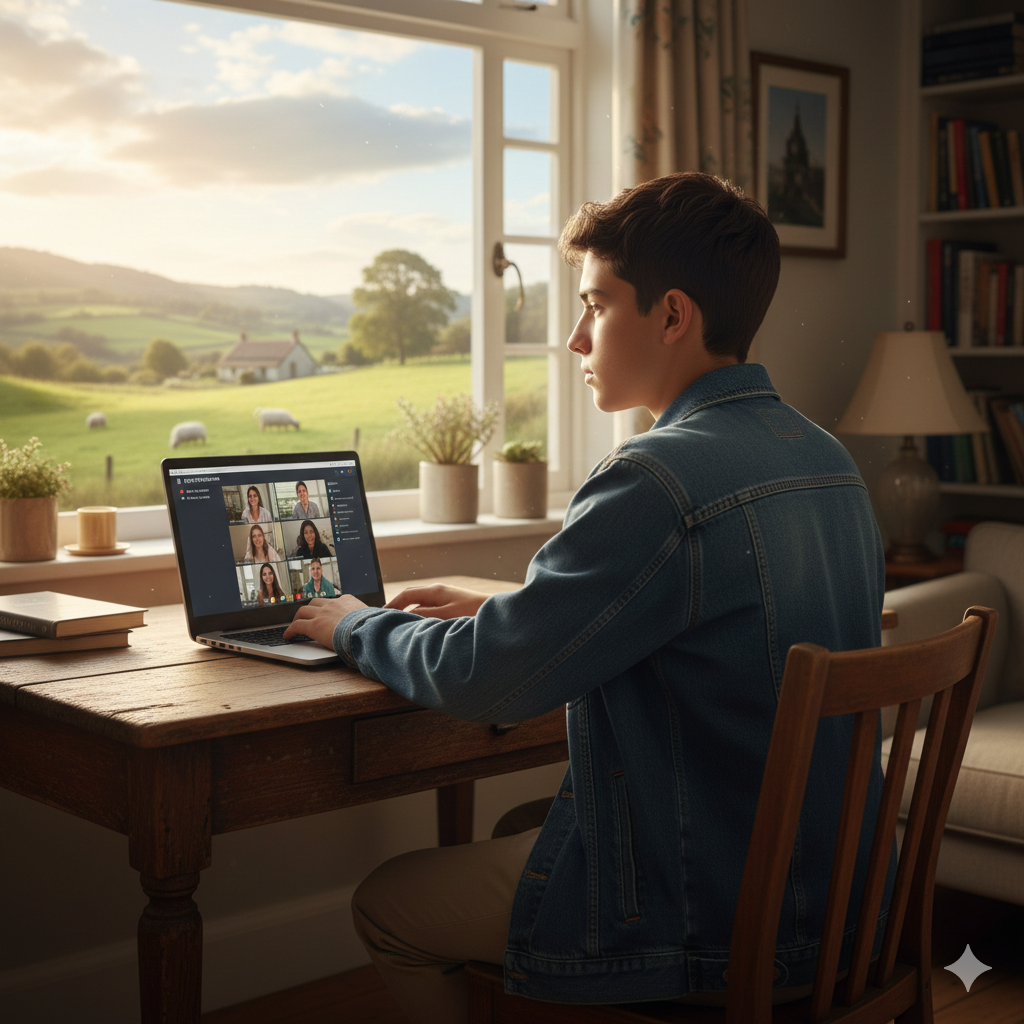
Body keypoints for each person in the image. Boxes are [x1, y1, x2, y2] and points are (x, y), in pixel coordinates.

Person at [285, 172, 891, 1023]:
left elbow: (487, 681)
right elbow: (705, 615)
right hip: (842, 905)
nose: (575, 339)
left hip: (720, 920)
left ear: (672, 316)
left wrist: (357, 626)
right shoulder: (826, 457)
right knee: (525, 826)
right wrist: (507, 612)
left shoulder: (654, 478)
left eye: (596, 306)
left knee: (390, 906)